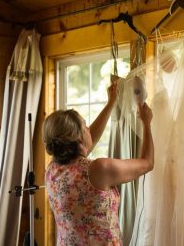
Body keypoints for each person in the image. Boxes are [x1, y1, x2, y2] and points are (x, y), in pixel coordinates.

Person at [43, 82, 154, 246]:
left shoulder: (52, 170)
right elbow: (147, 163)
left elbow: (87, 143)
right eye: (85, 126)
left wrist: (110, 103)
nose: (89, 128)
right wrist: (146, 123)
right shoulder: (98, 169)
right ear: (78, 138)